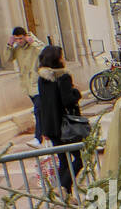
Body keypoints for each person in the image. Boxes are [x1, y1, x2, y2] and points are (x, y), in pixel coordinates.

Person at [35, 45, 85, 199]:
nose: (63, 59)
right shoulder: (63, 77)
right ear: (57, 60)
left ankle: (66, 195)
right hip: (65, 126)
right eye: (61, 56)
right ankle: (63, 187)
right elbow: (68, 100)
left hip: (50, 125)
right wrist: (76, 92)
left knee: (64, 160)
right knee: (78, 160)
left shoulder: (42, 78)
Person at [4, 26, 44, 143]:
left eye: (21, 38)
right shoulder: (17, 49)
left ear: (25, 36)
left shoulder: (34, 45)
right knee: (41, 111)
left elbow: (44, 51)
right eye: (17, 39)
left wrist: (34, 42)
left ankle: (38, 138)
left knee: (38, 111)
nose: (19, 41)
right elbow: (7, 59)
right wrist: (9, 45)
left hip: (37, 83)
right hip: (27, 84)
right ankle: (46, 134)